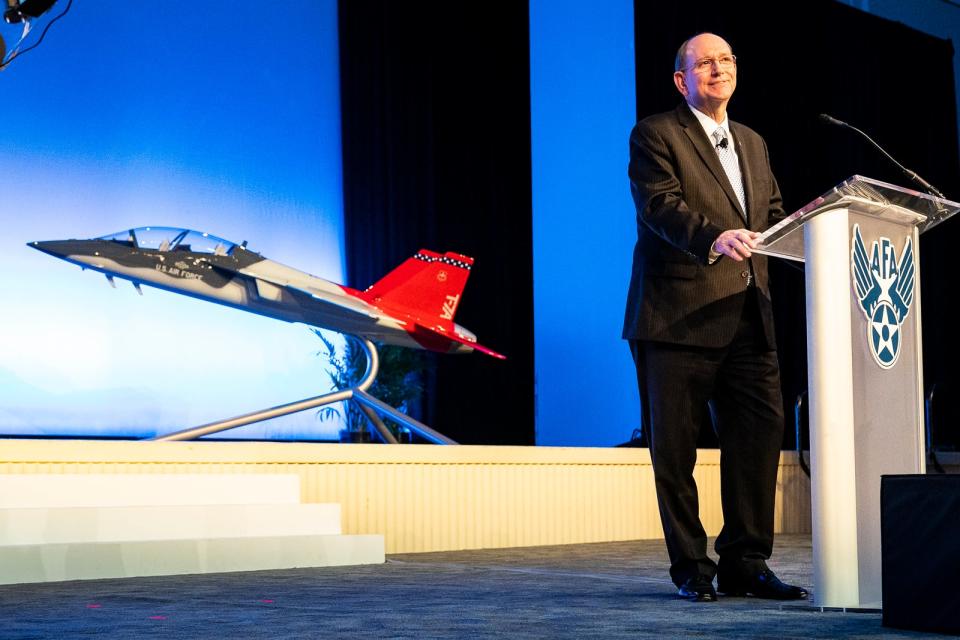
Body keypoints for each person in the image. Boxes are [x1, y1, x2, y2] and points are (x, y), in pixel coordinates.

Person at [622, 32, 808, 602]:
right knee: (674, 454)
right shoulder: (657, 134)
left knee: (755, 446)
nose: (718, 69)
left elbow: (773, 216)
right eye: (704, 63)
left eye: (726, 60)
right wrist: (714, 237)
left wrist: (812, 230)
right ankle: (692, 569)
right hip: (676, 317)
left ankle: (746, 562)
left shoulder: (752, 141)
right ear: (682, 80)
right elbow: (660, 206)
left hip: (750, 316)